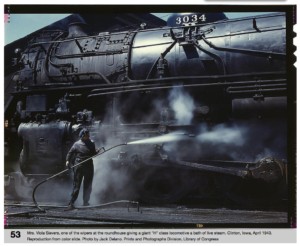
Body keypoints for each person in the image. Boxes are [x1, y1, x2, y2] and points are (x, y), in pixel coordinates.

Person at [65, 128, 100, 210]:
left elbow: (92, 153)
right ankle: (71, 203)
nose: (88, 136)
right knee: (76, 185)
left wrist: (96, 151)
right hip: (79, 166)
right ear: (82, 136)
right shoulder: (76, 144)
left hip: (89, 165)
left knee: (88, 185)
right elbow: (70, 153)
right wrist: (67, 161)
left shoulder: (92, 143)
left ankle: (86, 202)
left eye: (88, 134)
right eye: (86, 135)